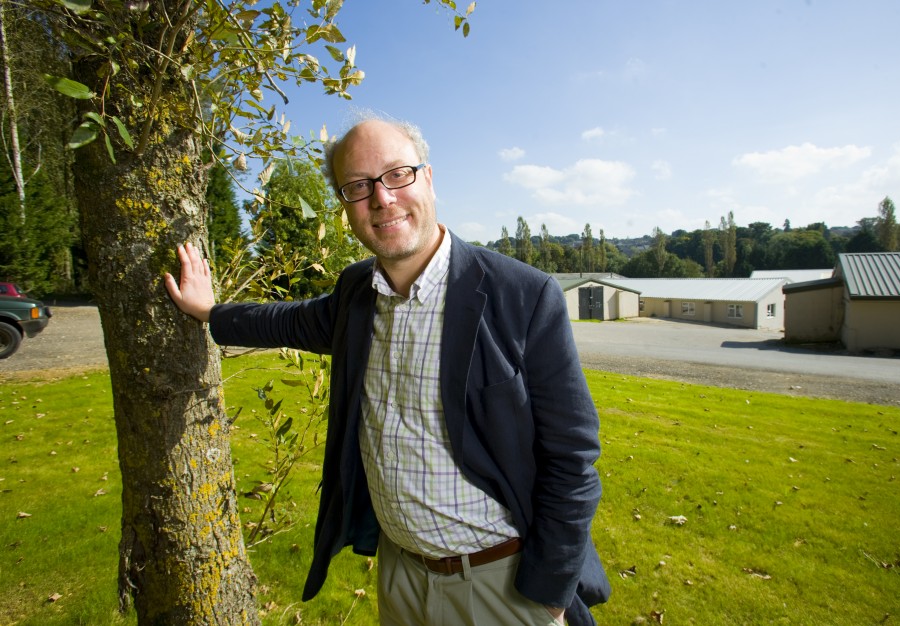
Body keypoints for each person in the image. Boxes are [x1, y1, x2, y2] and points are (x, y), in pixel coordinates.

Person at [165, 116, 610, 625]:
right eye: (358, 186)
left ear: (428, 177)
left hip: (501, 585)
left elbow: (572, 457)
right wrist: (209, 313)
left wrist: (549, 594)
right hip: (401, 580)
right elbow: (286, 321)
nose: (382, 198)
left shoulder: (523, 296)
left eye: (397, 174)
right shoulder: (356, 293)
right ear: (344, 204)